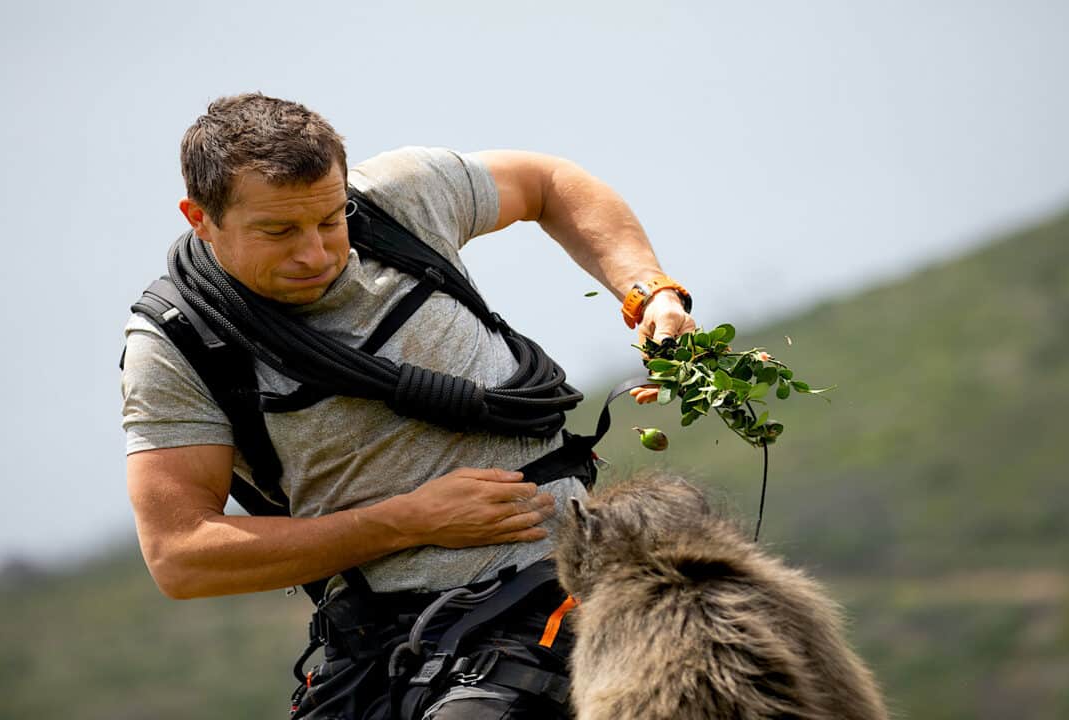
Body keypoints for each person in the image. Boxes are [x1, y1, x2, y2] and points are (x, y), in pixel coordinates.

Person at [120, 92, 695, 719]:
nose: (314, 253)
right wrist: (407, 521)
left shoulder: (399, 198)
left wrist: (648, 291)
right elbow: (180, 556)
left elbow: (547, 181)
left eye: (329, 220)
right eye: (278, 231)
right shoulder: (178, 344)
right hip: (379, 638)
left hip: (560, 585)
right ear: (199, 217)